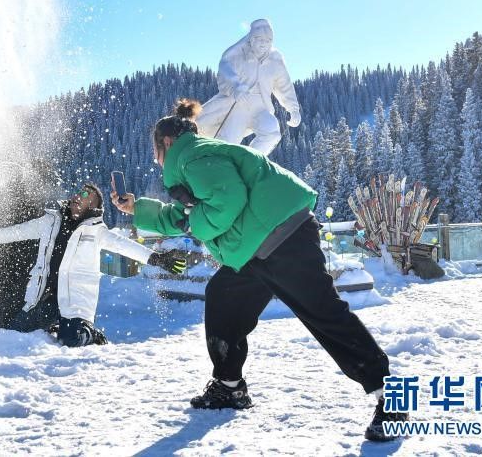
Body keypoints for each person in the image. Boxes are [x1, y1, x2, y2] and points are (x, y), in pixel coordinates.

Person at [111, 99, 406, 442]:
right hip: (256, 248)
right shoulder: (197, 157)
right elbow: (187, 216)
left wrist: (197, 225)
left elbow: (227, 201)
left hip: (282, 237)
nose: (155, 158)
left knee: (324, 314)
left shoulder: (191, 156)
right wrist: (139, 210)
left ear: (166, 142)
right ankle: (229, 386)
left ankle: (391, 397)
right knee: (223, 298)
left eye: (154, 150)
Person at [0, 183, 185, 347]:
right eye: (78, 192)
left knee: (71, 341)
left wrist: (156, 258)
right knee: (10, 336)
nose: (77, 196)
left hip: (74, 303)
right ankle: (52, 325)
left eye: (85, 195)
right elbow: (19, 231)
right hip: (43, 299)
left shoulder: (96, 232)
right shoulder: (51, 221)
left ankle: (91, 333)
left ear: (93, 206)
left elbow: (125, 246)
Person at [196, 19, 300, 155]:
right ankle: (216, 167)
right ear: (251, 39)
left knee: (272, 132)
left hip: (261, 107)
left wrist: (293, 108)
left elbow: (284, 86)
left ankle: (249, 160)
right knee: (228, 142)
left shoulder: (275, 61)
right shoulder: (238, 56)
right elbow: (225, 73)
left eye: (267, 40)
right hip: (239, 106)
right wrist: (236, 89)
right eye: (259, 39)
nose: (263, 43)